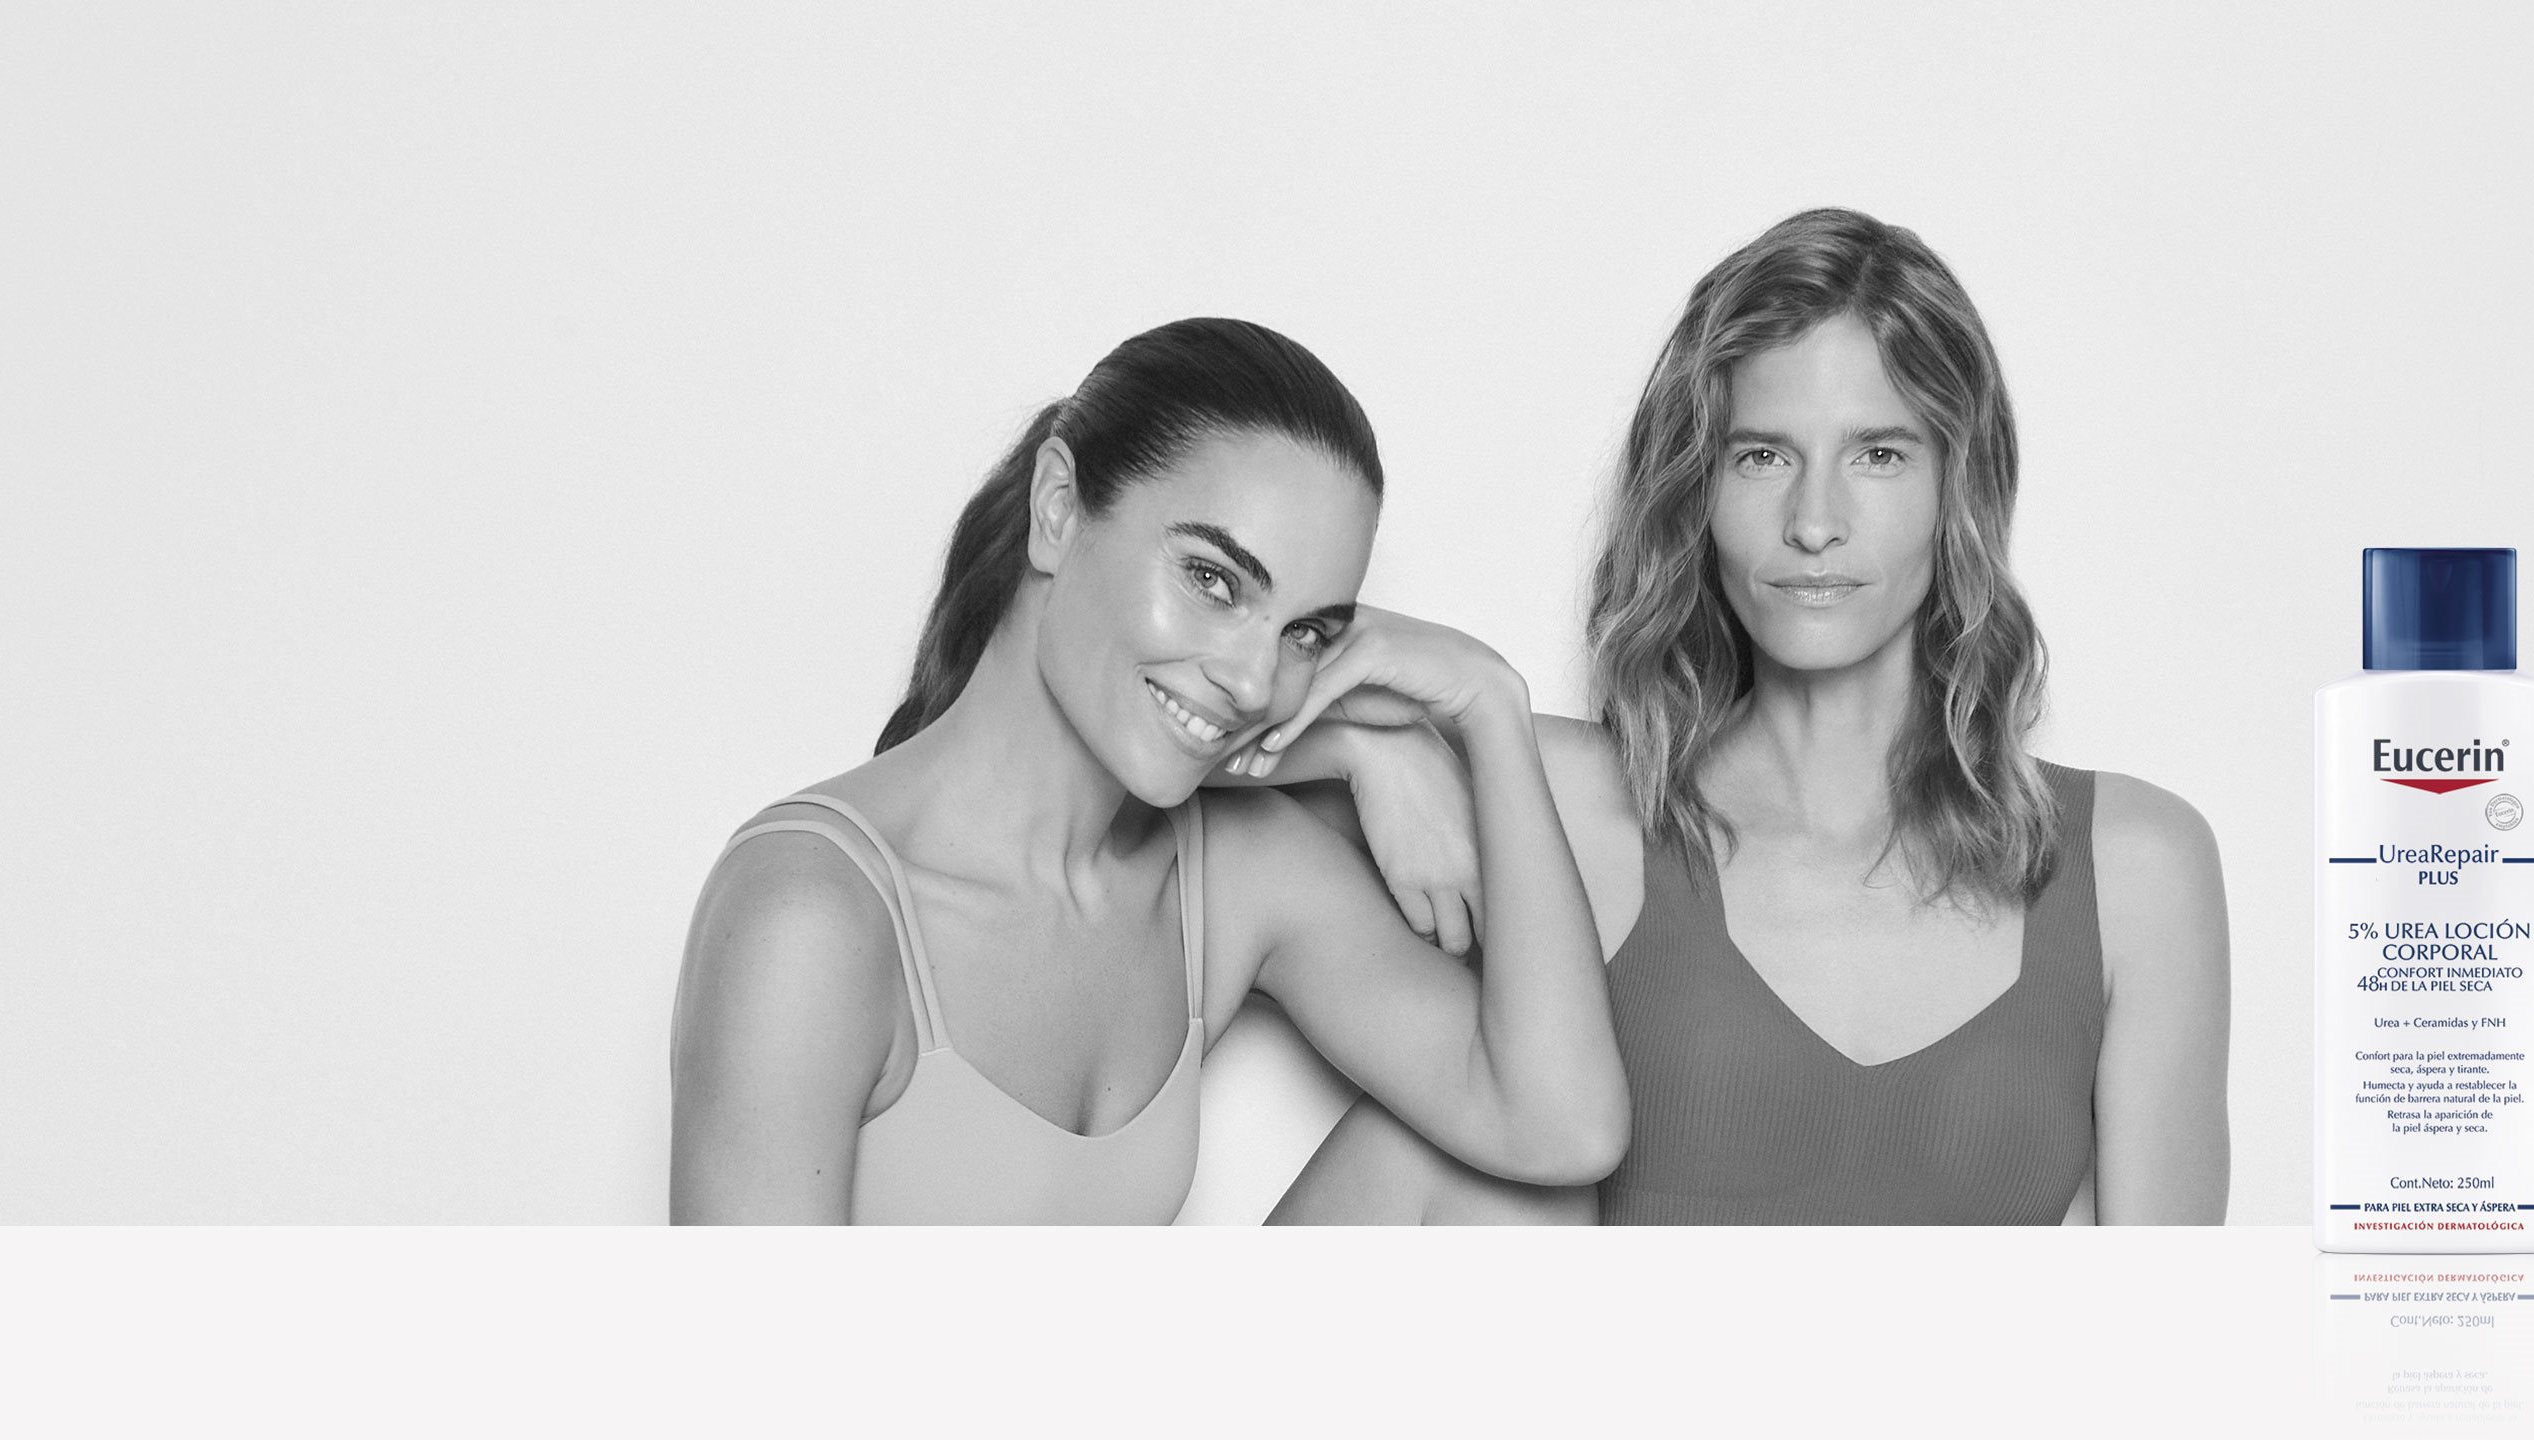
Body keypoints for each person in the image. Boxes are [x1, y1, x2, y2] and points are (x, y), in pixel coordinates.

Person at [1272, 210, 2230, 1224]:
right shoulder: (1565, 803)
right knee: (1437, 1154)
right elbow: (1181, 738)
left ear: (1961, 487)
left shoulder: (2136, 868)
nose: (1814, 523)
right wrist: (1382, 748)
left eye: (1879, 454)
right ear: (1698, 488)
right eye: (1763, 456)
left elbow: (2177, 1310)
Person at [667, 317, 1627, 1223]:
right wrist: (1358, 747)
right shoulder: (812, 915)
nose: (1253, 681)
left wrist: (1485, 710)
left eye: (1305, 633)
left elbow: (1562, 1127)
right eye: (1213, 580)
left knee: (1510, 1195)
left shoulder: (1229, 877)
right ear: (1057, 509)